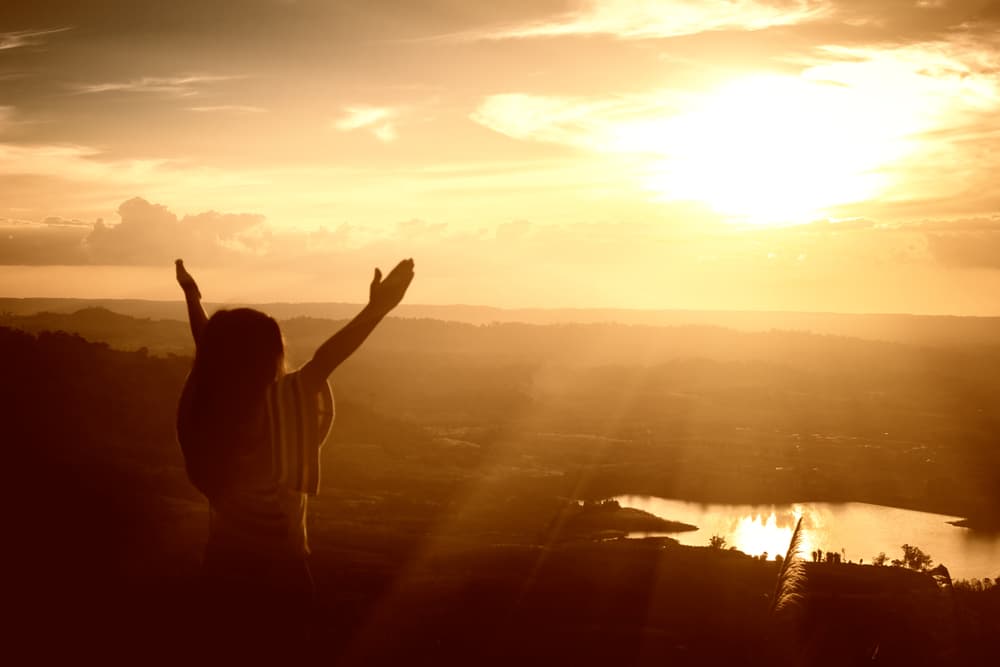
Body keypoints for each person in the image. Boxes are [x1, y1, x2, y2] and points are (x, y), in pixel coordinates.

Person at [174, 257, 414, 645]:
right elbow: (329, 357)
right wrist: (377, 309)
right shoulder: (284, 404)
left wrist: (191, 296)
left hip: (221, 570)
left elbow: (209, 352)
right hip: (282, 577)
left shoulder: (209, 413)